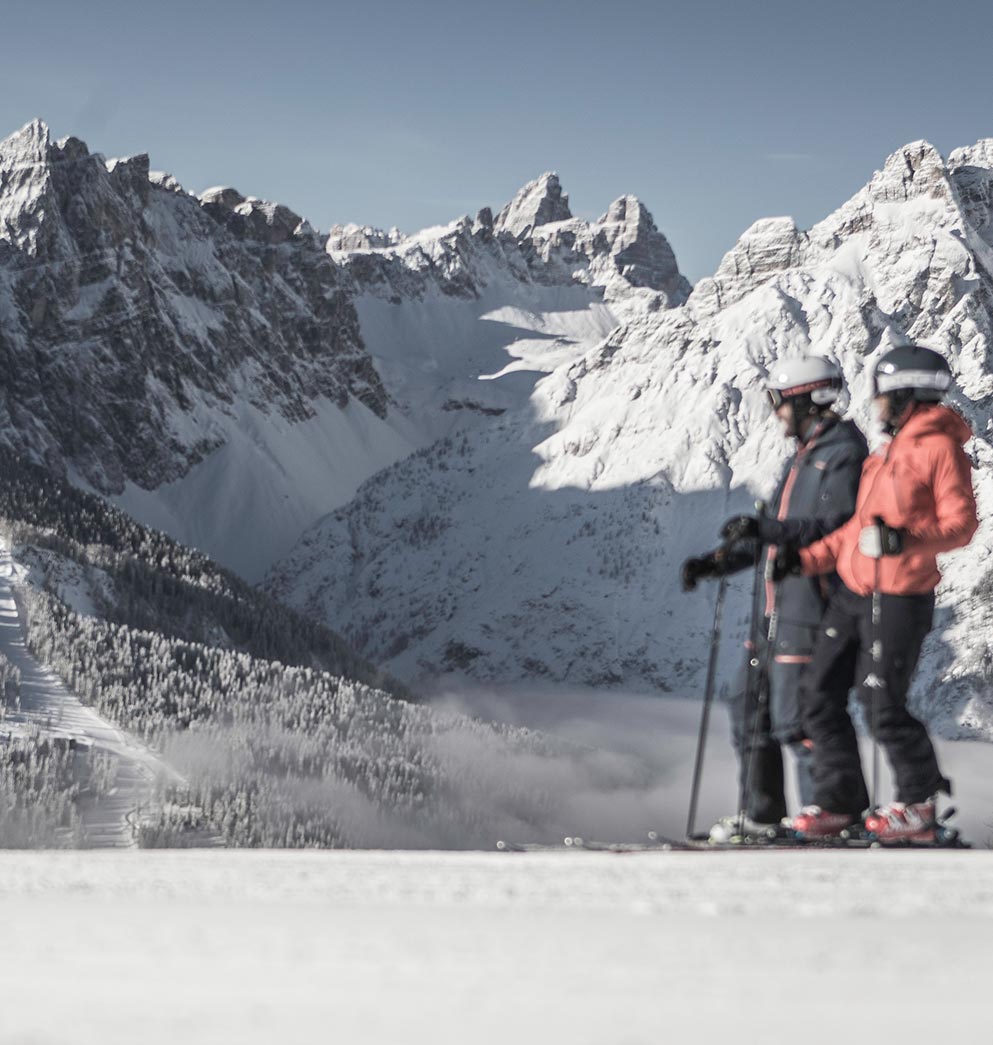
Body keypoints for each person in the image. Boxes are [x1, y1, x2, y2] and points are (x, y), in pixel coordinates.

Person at [777, 345, 978, 843]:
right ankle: (840, 803)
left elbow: (961, 525)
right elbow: (855, 532)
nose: (875, 405)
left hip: (900, 597)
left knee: (882, 702)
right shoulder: (885, 454)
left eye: (883, 395)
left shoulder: (939, 448)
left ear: (906, 395)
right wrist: (802, 560)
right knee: (817, 692)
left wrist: (903, 541)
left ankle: (918, 806)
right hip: (853, 593)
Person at [681, 356, 867, 841]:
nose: (776, 413)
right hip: (772, 612)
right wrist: (720, 561)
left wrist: (766, 529)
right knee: (749, 712)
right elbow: (778, 533)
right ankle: (762, 816)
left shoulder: (843, 453)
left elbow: (835, 526)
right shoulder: (804, 455)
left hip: (811, 605)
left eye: (779, 402)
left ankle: (830, 814)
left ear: (807, 399)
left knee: (800, 719)